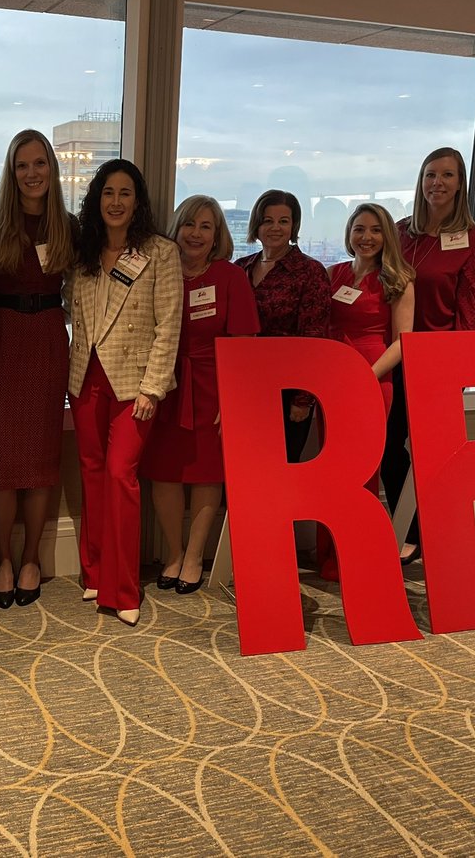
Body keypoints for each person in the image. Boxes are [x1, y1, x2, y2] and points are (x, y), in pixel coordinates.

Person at [66, 159, 182, 627]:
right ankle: (95, 571)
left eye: (125, 193)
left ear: (138, 201)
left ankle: (123, 587)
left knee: (120, 476)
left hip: (136, 385)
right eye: (108, 192)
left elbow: (169, 324)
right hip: (86, 379)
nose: (115, 202)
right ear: (97, 199)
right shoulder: (85, 253)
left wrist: (154, 387)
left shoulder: (160, 252)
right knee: (92, 475)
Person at [381, 147, 475, 564]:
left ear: (461, 183)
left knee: (434, 450)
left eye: (447, 175)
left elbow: (471, 308)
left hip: (437, 362)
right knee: (388, 446)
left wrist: (456, 368)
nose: (438, 183)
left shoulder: (474, 240)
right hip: (392, 356)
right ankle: (409, 528)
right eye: (431, 175)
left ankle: (439, 534)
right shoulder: (399, 232)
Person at [141, 196, 259, 594]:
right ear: (176, 228)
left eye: (205, 227)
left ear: (217, 236)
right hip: (164, 382)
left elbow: (245, 344)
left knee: (208, 473)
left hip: (214, 385)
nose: (195, 233)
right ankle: (173, 554)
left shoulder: (230, 277)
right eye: (189, 224)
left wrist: (232, 400)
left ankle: (194, 556)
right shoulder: (160, 271)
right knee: (165, 471)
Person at [0, 130, 77, 609]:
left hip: (45, 339)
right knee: (2, 461)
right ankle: (1, 558)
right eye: (23, 165)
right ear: (11, 170)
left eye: (40, 163)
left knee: (40, 461)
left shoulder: (69, 225)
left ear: (52, 169)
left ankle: (33, 557)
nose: (33, 173)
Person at [317, 203, 415, 580]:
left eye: (375, 230)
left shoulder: (399, 279)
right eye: (359, 229)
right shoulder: (333, 274)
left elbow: (403, 341)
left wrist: (366, 376)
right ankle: (326, 554)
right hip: (331, 380)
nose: (367, 237)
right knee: (330, 469)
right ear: (349, 233)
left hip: (373, 378)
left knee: (361, 473)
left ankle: (352, 555)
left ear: (387, 235)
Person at [234, 189, 331, 462]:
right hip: (245, 383)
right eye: (267, 220)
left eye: (283, 221)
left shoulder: (310, 272)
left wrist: (302, 398)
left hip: (289, 387)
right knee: (245, 465)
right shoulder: (241, 268)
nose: (275, 227)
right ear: (257, 225)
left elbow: (314, 340)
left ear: (294, 226)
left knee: (282, 467)